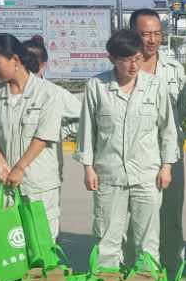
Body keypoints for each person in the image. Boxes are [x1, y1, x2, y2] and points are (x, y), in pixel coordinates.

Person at [75, 30, 178, 269]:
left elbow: (168, 129)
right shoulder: (97, 86)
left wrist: (167, 166)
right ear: (112, 59)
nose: (133, 66)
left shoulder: (155, 85)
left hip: (147, 173)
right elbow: (87, 130)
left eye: (138, 59)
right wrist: (88, 168)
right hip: (108, 174)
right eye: (126, 60)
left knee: (147, 240)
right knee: (107, 238)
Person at [0, 34, 66, 239]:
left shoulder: (49, 93)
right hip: (5, 182)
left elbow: (43, 137)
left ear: (15, 60)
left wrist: (19, 168)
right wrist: (0, 162)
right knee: (10, 243)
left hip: (38, 182)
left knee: (41, 241)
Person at [132, 8, 186, 274]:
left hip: (169, 155)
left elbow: (179, 112)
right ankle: (137, 275)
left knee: (170, 217)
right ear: (133, 33)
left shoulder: (174, 70)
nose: (152, 40)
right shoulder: (125, 68)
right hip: (134, 156)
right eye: (145, 34)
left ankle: (171, 274)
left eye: (157, 33)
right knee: (135, 221)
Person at [23, 35, 83, 182]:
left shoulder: (54, 93)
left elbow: (83, 115)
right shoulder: (5, 93)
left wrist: (60, 132)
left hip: (44, 172)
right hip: (11, 171)